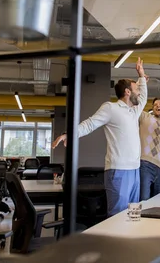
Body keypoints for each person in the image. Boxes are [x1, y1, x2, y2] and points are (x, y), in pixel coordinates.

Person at [52, 57, 147, 216]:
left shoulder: (134, 111)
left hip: (135, 170)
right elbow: (90, 124)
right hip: (118, 171)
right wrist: (68, 134)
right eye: (136, 89)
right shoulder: (111, 108)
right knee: (118, 216)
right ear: (127, 92)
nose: (139, 92)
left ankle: (129, 241)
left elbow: (143, 96)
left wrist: (141, 76)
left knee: (133, 215)